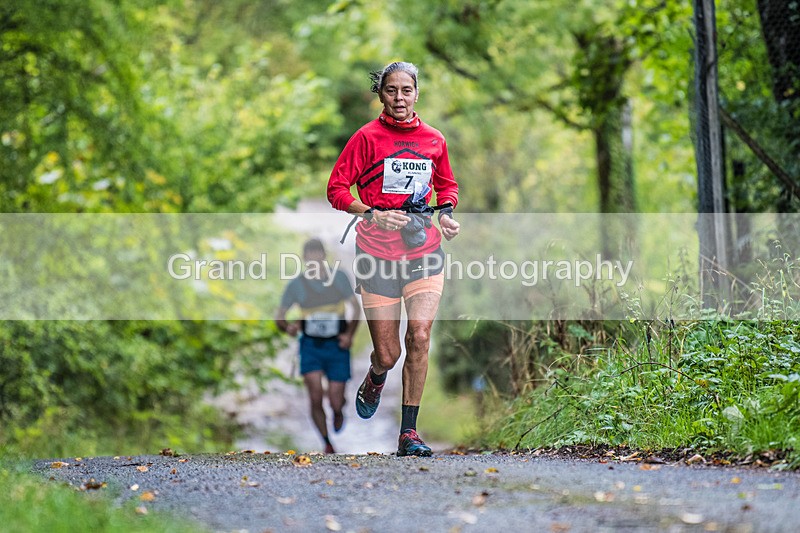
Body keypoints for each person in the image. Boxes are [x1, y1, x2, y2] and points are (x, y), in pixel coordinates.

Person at [327, 61, 460, 457]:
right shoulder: (366, 138)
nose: (399, 98)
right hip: (377, 254)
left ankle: (409, 434)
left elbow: (447, 185)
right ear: (381, 94)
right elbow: (336, 189)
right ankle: (376, 374)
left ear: (417, 94)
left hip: (424, 250)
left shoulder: (435, 139)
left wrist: (447, 215)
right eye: (391, 91)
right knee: (389, 353)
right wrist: (371, 213)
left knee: (419, 335)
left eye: (406, 90)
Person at [275, 238, 360, 454]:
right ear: (304, 259)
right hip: (310, 346)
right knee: (314, 395)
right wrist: (288, 328)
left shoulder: (339, 278)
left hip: (337, 345)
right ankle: (327, 442)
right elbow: (280, 317)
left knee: (334, 399)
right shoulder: (296, 285)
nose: (314, 258)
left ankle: (339, 410)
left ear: (323, 256)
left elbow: (355, 308)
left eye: (318, 254)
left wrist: (349, 335)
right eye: (310, 255)